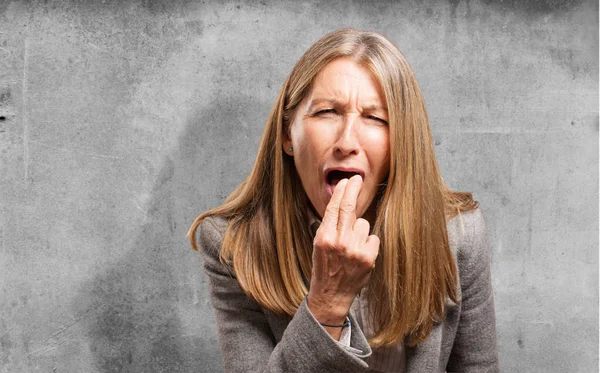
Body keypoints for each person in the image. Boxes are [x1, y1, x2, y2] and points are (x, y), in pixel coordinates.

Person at [188, 28, 499, 373]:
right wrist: (327, 304)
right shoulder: (232, 245)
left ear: (401, 144)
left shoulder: (458, 233)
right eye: (326, 112)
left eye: (375, 118)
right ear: (288, 133)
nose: (347, 142)